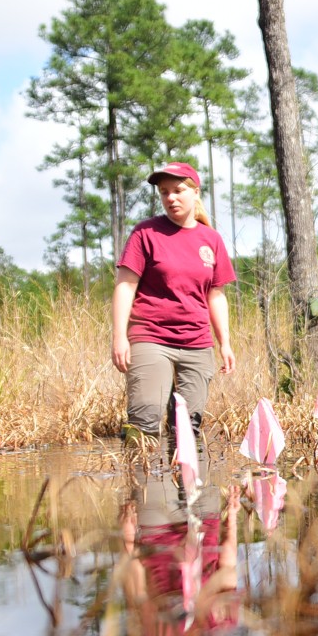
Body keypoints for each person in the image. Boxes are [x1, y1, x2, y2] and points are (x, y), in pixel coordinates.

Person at [112, 161, 237, 445]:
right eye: (164, 192)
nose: (171, 198)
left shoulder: (211, 240)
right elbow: (125, 286)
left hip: (197, 342)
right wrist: (119, 337)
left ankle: (187, 490)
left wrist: (225, 343)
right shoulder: (145, 233)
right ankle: (147, 486)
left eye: (178, 190)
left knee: (188, 431)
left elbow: (215, 295)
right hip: (150, 337)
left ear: (195, 192)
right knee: (145, 423)